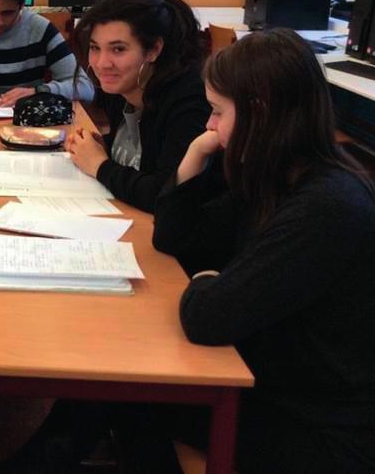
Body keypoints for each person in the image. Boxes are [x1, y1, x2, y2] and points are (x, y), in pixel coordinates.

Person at [153, 29, 375, 472]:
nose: (209, 126)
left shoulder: (326, 205)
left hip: (316, 427)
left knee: (135, 402)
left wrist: (210, 284)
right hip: (274, 383)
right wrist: (194, 157)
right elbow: (176, 241)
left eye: (217, 113)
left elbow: (207, 316)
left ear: (259, 112)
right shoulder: (276, 173)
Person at [66, 0, 208, 212]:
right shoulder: (121, 88)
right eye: (95, 48)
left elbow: (166, 194)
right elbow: (139, 157)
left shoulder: (189, 103)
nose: (102, 63)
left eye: (118, 49)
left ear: (153, 50)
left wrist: (100, 165)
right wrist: (102, 147)